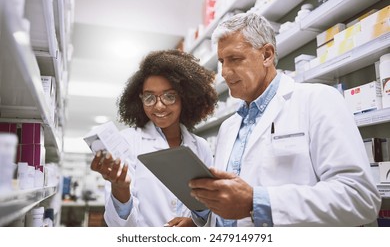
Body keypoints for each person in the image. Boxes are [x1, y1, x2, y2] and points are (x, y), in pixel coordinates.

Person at [189, 12, 382, 227]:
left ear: (267, 55)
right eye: (222, 61)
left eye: (235, 59)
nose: (225, 72)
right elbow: (228, 214)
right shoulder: (228, 127)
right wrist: (205, 205)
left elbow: (360, 198)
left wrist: (256, 203)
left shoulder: (318, 100)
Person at [90, 49, 217, 227]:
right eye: (149, 97)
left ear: (185, 98)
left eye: (169, 96)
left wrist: (195, 222)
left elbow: (211, 208)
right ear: (139, 99)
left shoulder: (201, 146)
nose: (158, 106)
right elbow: (119, 225)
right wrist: (121, 188)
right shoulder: (127, 141)